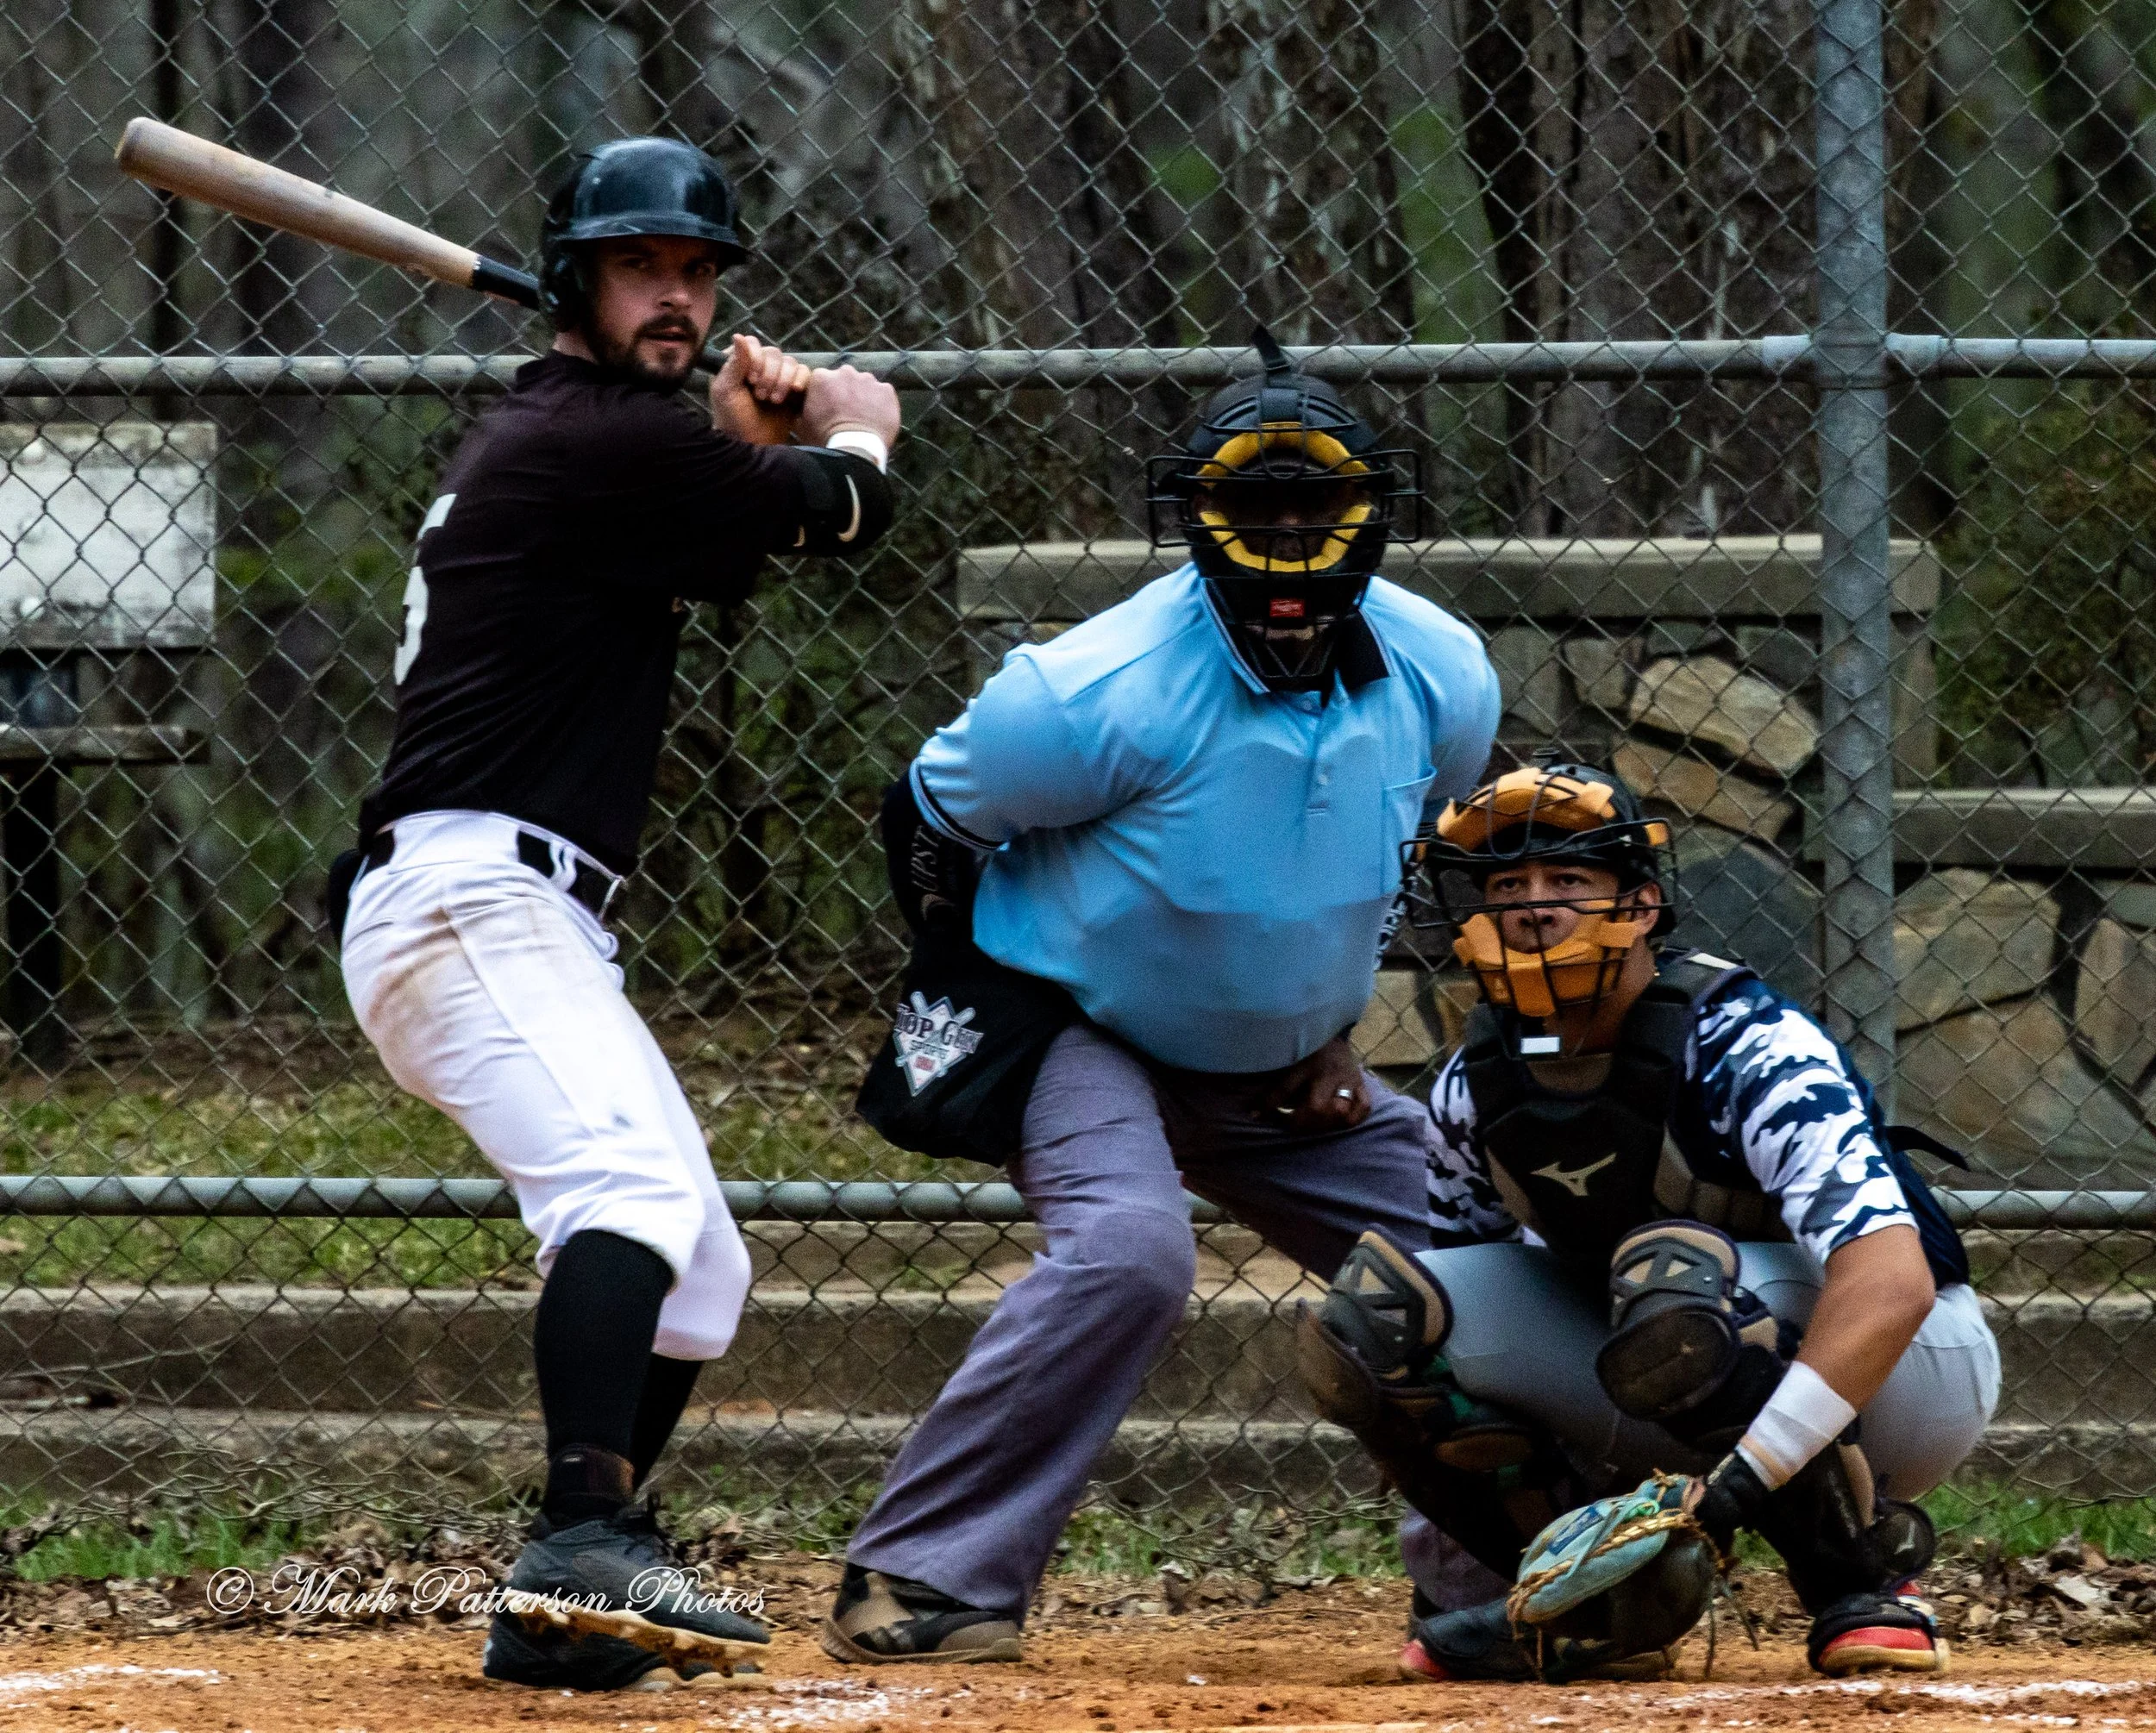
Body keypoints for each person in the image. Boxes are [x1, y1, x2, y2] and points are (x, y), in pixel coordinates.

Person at [823, 330, 1502, 1664]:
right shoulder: (1092, 691)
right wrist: (971, 1006)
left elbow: (1399, 850)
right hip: (1085, 1026)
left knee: (1474, 1252)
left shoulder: (1443, 672)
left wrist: (1324, 1022)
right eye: (1257, 504)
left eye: (1318, 504)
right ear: (1197, 515)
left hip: (1285, 1062)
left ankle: (1494, 1582)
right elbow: (929, 814)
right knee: (1131, 1252)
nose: (1291, 532)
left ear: (1374, 513)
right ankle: (919, 1578)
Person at [333, 136, 901, 1692]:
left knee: (699, 1266)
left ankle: (564, 1601)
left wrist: (728, 436)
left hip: (514, 906)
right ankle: (581, 1537)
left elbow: (713, 519)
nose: (680, 295)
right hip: (468, 894)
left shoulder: (597, 435)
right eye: (644, 268)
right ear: (577, 276)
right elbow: (831, 517)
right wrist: (857, 435)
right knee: (626, 1193)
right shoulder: (586, 435)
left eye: (700, 273)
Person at [1299, 760, 2001, 1683]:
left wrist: (1729, 1498)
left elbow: (1891, 1283)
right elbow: (1474, 1322)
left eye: (1568, 881)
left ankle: (1858, 1579)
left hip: (1906, 1372)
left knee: (1667, 1273)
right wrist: (1453, 1562)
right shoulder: (1472, 1086)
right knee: (1372, 1319)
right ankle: (1579, 1606)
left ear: (1639, 907)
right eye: (1507, 885)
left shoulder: (1746, 1045)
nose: (1532, 906)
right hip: (1658, 1352)